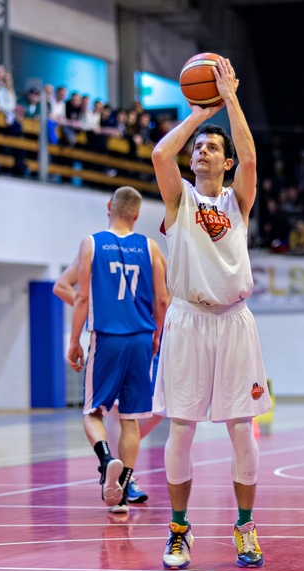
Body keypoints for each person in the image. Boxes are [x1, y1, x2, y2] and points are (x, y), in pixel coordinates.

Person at [150, 55, 271, 570]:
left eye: (212, 147)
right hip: (187, 320)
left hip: (233, 322)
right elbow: (160, 153)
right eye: (198, 147)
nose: (202, 150)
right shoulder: (177, 200)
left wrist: (231, 100)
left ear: (224, 163)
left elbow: (250, 156)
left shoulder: (236, 203)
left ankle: (245, 526)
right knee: (181, 430)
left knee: (241, 429)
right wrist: (200, 112)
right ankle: (179, 529)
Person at [66, 187, 168, 514]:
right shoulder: (150, 247)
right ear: (137, 214)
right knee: (131, 419)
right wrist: (156, 334)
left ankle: (106, 459)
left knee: (92, 413)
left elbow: (81, 297)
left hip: (107, 336)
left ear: (109, 206)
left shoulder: (92, 242)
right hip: (141, 336)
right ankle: (122, 490)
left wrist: (74, 340)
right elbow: (163, 299)